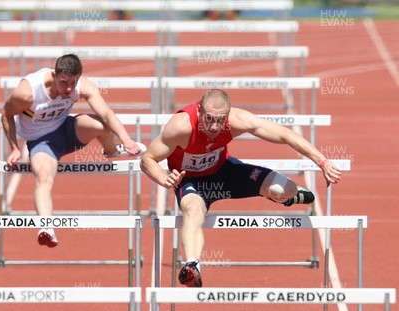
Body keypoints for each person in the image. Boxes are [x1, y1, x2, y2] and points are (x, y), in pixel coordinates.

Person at [140, 89, 342, 287]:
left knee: (286, 189)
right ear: (199, 110)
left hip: (225, 172)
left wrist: (322, 162)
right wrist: (163, 177)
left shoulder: (238, 120)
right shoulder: (180, 126)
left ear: (227, 116)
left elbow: (285, 134)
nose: (213, 126)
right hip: (190, 181)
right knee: (192, 210)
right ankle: (192, 265)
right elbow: (147, 159)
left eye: (220, 120)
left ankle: (285, 197)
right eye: (209, 118)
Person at [2, 54, 145, 248]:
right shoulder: (27, 92)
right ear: (54, 75)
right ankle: (46, 228)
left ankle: (112, 151)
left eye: (73, 82)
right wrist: (14, 147)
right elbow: (6, 114)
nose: (68, 88)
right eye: (63, 82)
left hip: (69, 129)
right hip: (41, 141)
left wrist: (127, 140)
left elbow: (107, 113)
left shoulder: (83, 85)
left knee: (103, 125)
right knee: (44, 177)